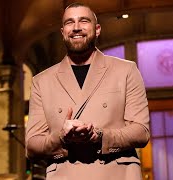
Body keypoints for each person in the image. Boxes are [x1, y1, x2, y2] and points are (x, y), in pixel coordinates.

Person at [25, 2, 150, 180]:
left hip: (117, 174)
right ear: (63, 32)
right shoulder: (42, 81)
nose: (76, 28)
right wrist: (61, 137)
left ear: (97, 29)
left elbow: (141, 131)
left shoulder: (125, 70)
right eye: (69, 22)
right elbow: (32, 145)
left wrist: (99, 136)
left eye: (84, 21)